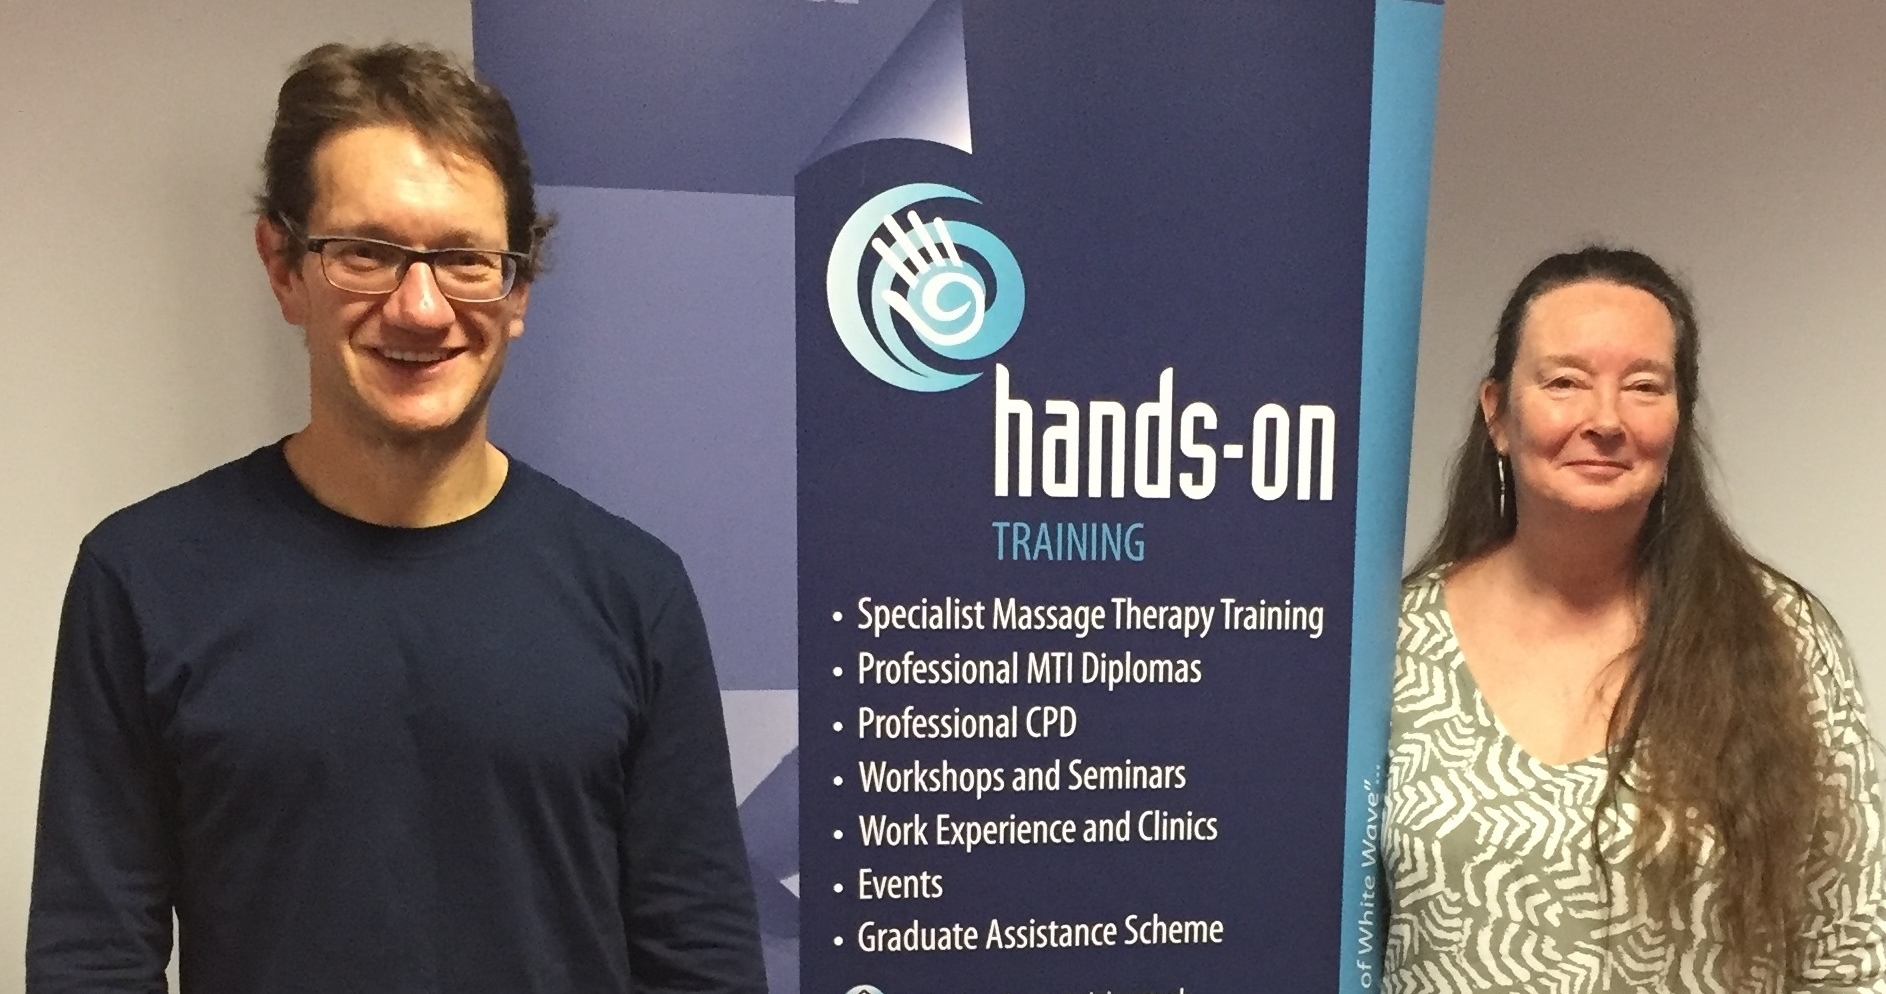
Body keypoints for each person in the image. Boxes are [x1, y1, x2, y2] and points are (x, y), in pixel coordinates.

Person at [27, 43, 766, 993]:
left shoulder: (635, 592)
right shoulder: (142, 578)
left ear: (518, 288)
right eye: (367, 253)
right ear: (283, 267)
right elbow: (92, 959)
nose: (420, 308)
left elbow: (701, 959)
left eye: (465, 260)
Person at [1384, 247, 1885, 993]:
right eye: (1565, 381)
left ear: (1679, 419)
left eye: (1645, 386)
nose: (1606, 419)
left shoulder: (1781, 636)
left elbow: (1849, 949)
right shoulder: (1389, 644)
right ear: (1497, 412)